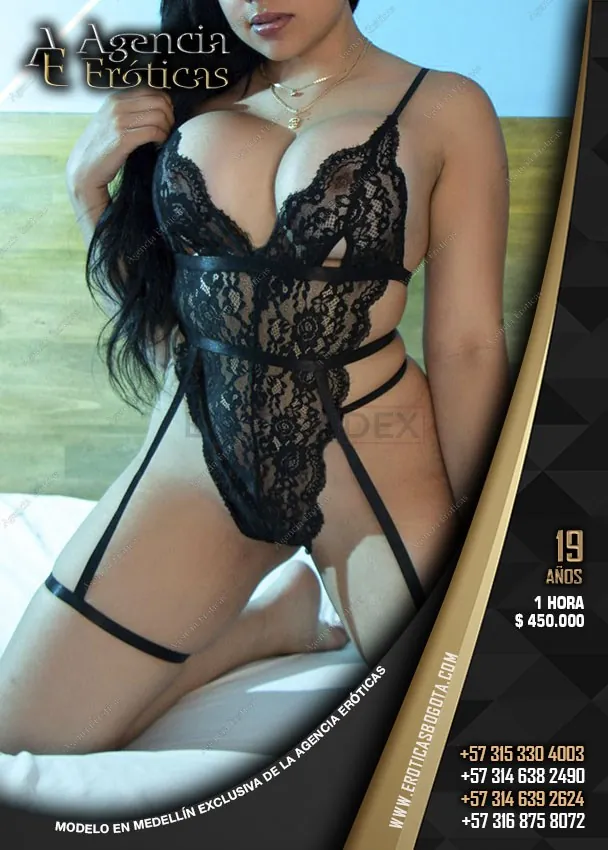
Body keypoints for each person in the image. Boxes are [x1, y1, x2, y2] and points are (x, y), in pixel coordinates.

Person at [0, 0, 510, 756]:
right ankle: (267, 625)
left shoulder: (445, 105)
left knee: (458, 733)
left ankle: (280, 615)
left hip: (372, 461)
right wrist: (88, 192)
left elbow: (466, 345)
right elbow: (163, 329)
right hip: (198, 458)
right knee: (21, 736)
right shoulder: (184, 95)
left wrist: (488, 526)